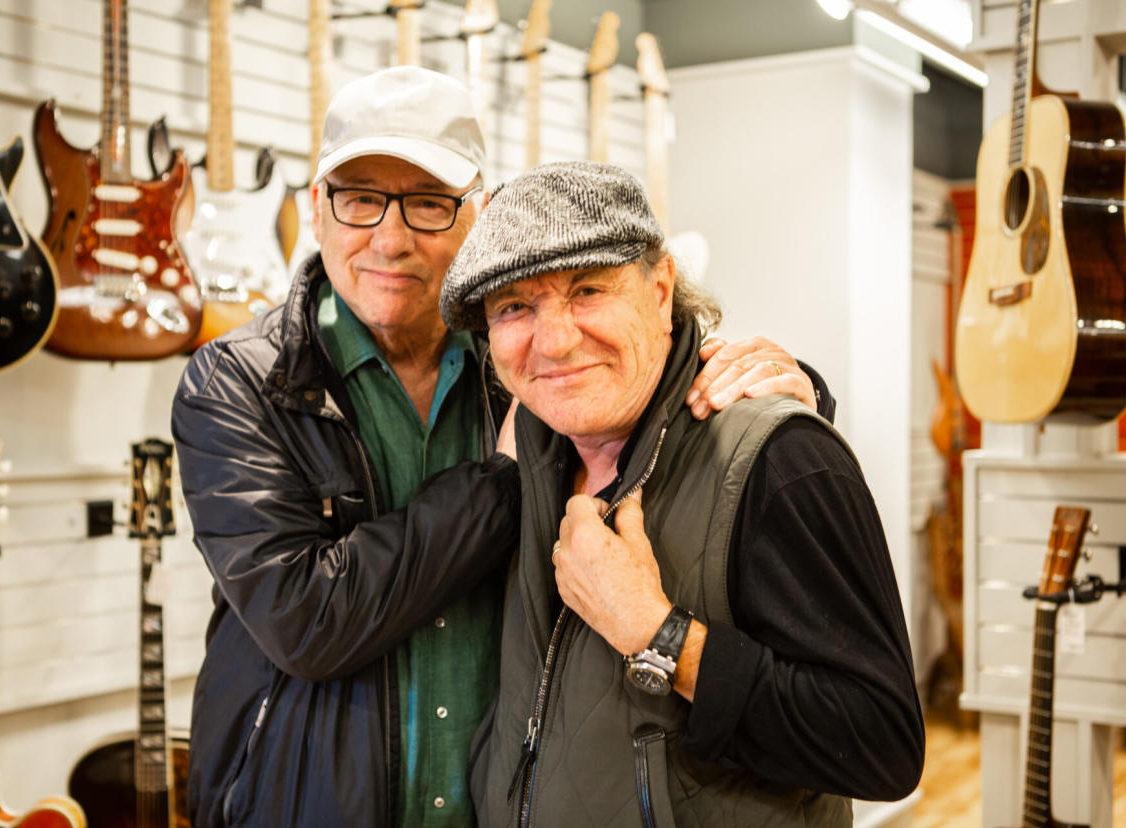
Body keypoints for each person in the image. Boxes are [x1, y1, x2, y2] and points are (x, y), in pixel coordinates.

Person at [172, 67, 831, 827]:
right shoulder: (237, 383)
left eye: (427, 204)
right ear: (316, 211)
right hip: (305, 804)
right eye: (359, 200)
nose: (390, 238)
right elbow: (307, 618)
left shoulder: (530, 356)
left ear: (476, 217)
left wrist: (780, 388)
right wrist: (498, 483)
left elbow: (655, 370)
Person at [440, 161, 925, 827]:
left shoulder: (780, 459)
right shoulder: (535, 444)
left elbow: (882, 746)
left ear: (661, 289)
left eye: (587, 290)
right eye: (514, 307)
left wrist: (658, 634)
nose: (552, 340)